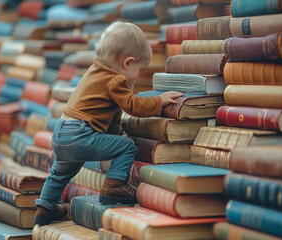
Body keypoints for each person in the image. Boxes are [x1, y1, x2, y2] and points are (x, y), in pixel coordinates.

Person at [34, 21, 183, 225]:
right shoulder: (116, 80)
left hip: (62, 133)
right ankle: (113, 187)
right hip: (80, 135)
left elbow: (112, 115)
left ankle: (45, 208)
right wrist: (160, 101)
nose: (138, 76)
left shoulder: (95, 72)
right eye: (139, 69)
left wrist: (116, 134)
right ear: (127, 63)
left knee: (60, 173)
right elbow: (132, 106)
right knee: (127, 146)